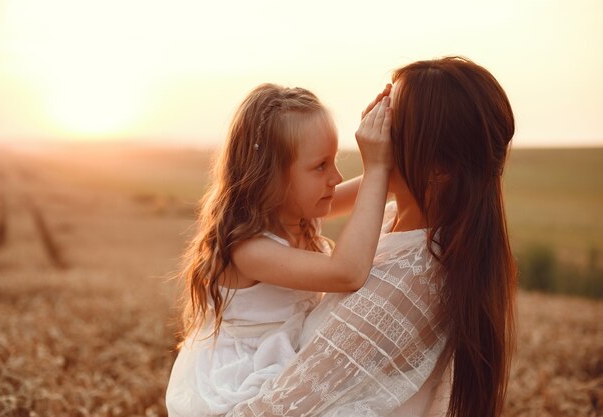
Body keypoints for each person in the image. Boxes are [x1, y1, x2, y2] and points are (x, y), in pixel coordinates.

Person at [225, 56, 517, 417]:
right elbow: (322, 202)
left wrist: (378, 165)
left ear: (439, 167)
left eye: (394, 120)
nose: (377, 126)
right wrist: (379, 165)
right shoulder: (397, 219)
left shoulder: (413, 278)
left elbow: (280, 409)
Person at [165, 83, 396, 416]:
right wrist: (377, 169)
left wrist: (390, 156)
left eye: (334, 161)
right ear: (270, 178)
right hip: (246, 375)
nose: (336, 176)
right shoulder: (250, 250)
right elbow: (349, 272)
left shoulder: (298, 213)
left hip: (286, 355)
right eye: (321, 166)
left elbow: (375, 189)